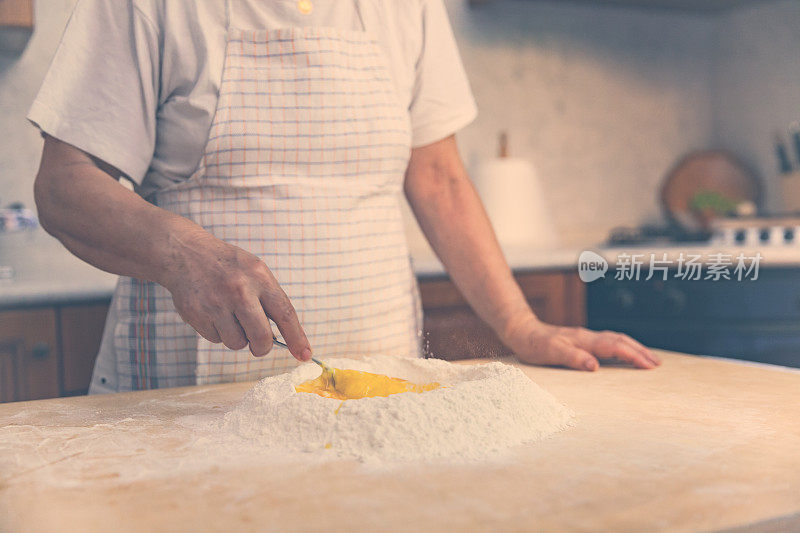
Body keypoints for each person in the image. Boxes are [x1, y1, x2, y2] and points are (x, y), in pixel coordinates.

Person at [30, 0, 660, 394]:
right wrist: (181, 252)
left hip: (378, 391)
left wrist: (521, 327)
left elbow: (439, 176)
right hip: (189, 396)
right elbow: (64, 185)